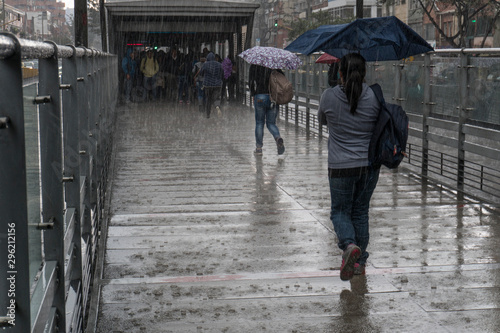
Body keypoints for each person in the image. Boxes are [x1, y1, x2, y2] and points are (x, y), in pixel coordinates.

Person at [317, 53, 381, 281]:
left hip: (340, 166)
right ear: (364, 73)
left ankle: (349, 245)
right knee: (360, 212)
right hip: (368, 165)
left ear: (340, 72)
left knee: (340, 211)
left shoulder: (328, 96)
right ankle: (360, 263)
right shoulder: (374, 96)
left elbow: (323, 121)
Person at [248, 64, 285, 155]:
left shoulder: (255, 65)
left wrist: (253, 93)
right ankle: (277, 138)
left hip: (260, 96)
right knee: (271, 123)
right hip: (272, 97)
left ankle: (259, 148)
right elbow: (282, 78)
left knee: (259, 123)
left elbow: (251, 81)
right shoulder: (274, 65)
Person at [199, 52, 223, 118]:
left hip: (207, 85)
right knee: (216, 98)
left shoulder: (205, 64)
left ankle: (208, 114)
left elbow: (201, 73)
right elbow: (222, 73)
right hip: (217, 85)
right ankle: (217, 106)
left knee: (208, 99)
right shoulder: (219, 64)